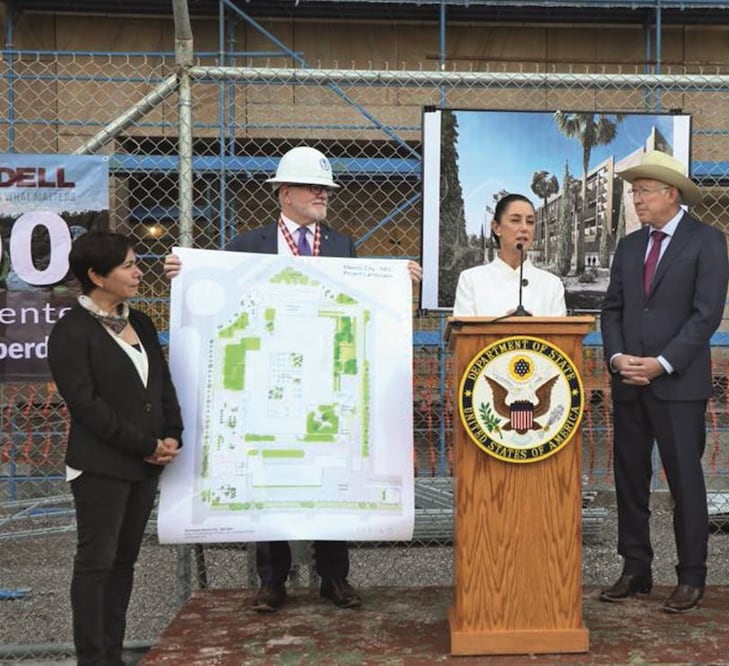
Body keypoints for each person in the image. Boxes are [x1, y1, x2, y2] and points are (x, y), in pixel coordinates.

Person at [164, 145, 420, 613]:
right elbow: (220, 292)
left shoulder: (341, 245)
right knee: (269, 474)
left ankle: (333, 577)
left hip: (326, 378)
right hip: (269, 380)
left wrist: (395, 277)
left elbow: (360, 297)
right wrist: (184, 272)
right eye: (313, 187)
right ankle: (272, 579)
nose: (323, 194)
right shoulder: (247, 245)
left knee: (332, 472)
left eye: (326, 188)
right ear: (284, 193)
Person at [598, 150, 729, 613]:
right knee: (629, 479)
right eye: (633, 192)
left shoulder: (706, 241)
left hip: (678, 386)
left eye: (643, 192)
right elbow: (612, 309)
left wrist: (662, 362)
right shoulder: (630, 247)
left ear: (670, 194)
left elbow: (705, 316)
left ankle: (691, 575)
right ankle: (636, 568)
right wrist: (616, 358)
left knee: (685, 483)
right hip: (629, 384)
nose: (636, 200)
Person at [48, 231, 183, 665]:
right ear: (95, 275)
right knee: (97, 563)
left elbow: (160, 383)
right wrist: (144, 444)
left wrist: (173, 433)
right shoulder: (71, 332)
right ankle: (93, 658)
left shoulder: (139, 321)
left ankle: (112, 652)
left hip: (143, 466)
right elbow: (86, 406)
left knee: (124, 563)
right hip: (102, 467)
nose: (138, 271)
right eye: (127, 265)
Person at [453, 193, 566, 317]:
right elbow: (465, 333)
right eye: (515, 220)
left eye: (530, 222)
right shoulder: (471, 280)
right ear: (497, 227)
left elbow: (559, 335)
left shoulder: (552, 284)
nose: (524, 228)